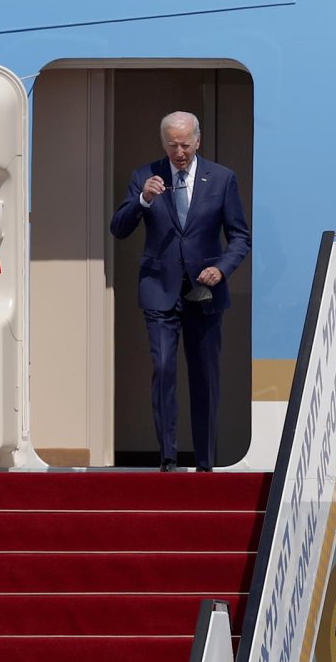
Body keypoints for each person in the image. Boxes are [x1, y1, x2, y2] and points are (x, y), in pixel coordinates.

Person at [110, 111, 251, 472]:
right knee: (163, 368)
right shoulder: (145, 176)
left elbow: (239, 236)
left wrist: (222, 268)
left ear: (198, 141)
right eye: (172, 145)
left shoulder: (221, 178)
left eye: (185, 145)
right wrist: (143, 200)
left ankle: (204, 461)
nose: (179, 152)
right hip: (160, 289)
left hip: (204, 292)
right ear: (163, 143)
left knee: (205, 375)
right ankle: (168, 458)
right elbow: (119, 228)